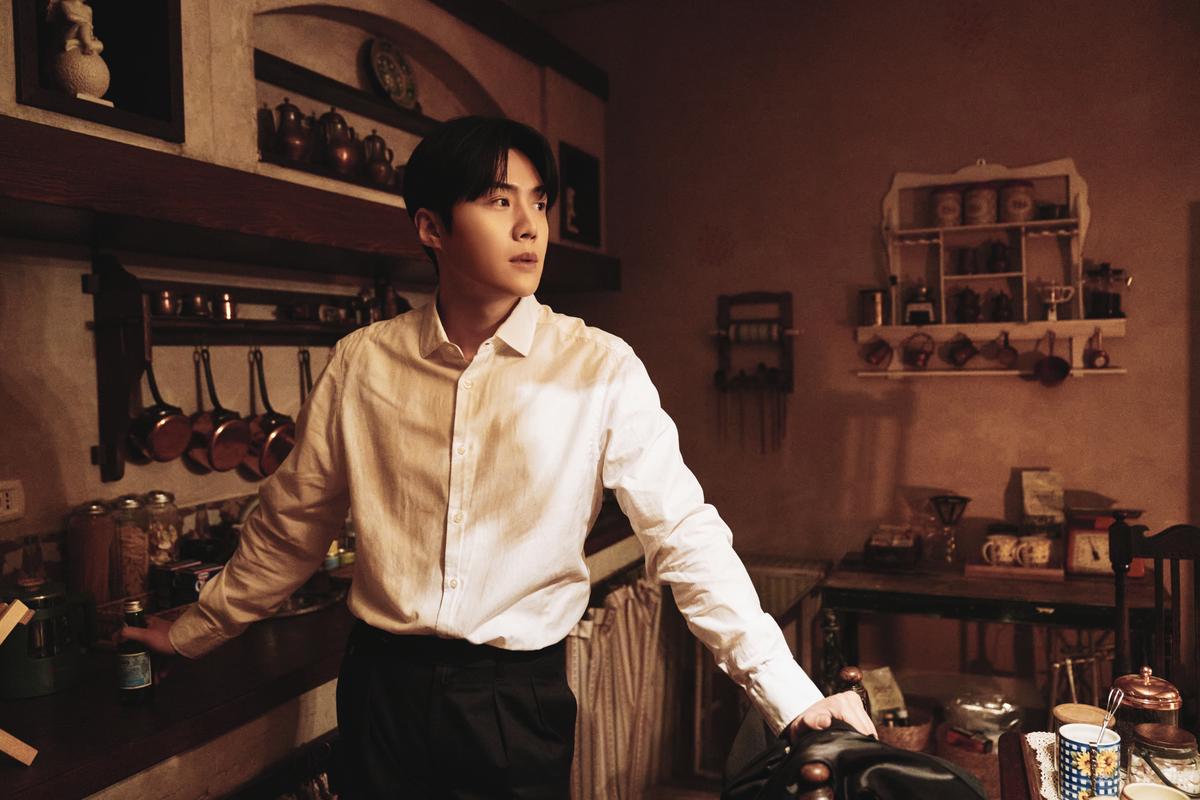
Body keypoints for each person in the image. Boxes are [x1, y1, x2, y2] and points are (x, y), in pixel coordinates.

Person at [121, 116, 874, 798]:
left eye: (538, 203)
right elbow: (293, 527)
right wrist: (193, 629)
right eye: (497, 200)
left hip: (514, 702)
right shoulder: (362, 362)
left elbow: (683, 533)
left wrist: (787, 693)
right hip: (382, 691)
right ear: (431, 227)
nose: (528, 226)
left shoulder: (598, 366)